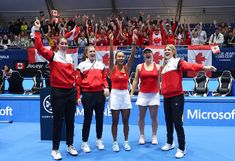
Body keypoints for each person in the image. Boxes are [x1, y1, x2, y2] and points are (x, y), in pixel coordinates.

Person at [161, 44, 217, 159]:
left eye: (169, 50)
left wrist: (204, 67)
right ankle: (170, 143)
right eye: (165, 50)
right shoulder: (164, 66)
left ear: (173, 52)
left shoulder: (177, 61)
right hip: (166, 97)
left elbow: (190, 66)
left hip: (177, 97)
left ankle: (182, 148)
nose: (166, 51)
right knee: (168, 121)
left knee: (177, 122)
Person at [33, 19, 78, 160]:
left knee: (71, 121)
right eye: (62, 43)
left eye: (66, 43)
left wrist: (75, 91)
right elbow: (40, 48)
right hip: (58, 93)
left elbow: (72, 75)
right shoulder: (53, 56)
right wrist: (37, 31)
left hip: (71, 92)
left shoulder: (71, 58)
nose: (64, 45)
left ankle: (70, 145)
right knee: (58, 121)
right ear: (57, 45)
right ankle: (55, 149)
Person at [76, 45, 109, 153]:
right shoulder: (81, 65)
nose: (92, 53)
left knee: (100, 119)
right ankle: (84, 142)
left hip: (100, 95)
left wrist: (106, 87)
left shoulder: (101, 65)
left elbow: (104, 79)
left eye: (94, 51)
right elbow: (78, 84)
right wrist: (78, 97)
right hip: (87, 95)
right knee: (87, 120)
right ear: (86, 53)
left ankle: (99, 140)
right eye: (90, 51)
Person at [109, 33, 136, 152]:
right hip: (114, 95)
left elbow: (133, 56)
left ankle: (126, 141)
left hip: (125, 95)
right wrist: (110, 42)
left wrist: (134, 43)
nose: (121, 58)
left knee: (126, 121)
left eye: (122, 56)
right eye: (119, 56)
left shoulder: (127, 68)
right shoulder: (112, 68)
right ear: (116, 58)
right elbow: (110, 56)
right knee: (115, 121)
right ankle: (115, 142)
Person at [130, 48, 161, 145]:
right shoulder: (139, 66)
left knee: (154, 117)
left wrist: (159, 92)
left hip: (154, 95)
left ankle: (154, 136)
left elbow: (159, 81)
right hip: (143, 94)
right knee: (141, 117)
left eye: (149, 52)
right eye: (145, 53)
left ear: (152, 54)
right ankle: (142, 135)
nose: (147, 54)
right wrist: (131, 93)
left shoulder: (158, 67)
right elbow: (135, 81)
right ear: (144, 55)